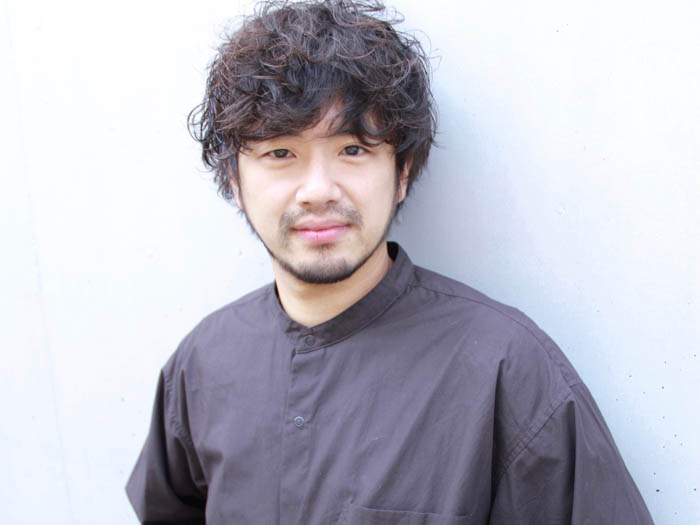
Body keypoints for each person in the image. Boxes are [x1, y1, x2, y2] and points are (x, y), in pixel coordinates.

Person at [126, 1, 654, 523]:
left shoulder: (506, 369)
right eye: (280, 153)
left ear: (401, 171)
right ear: (234, 179)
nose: (318, 190)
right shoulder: (202, 364)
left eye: (353, 149)